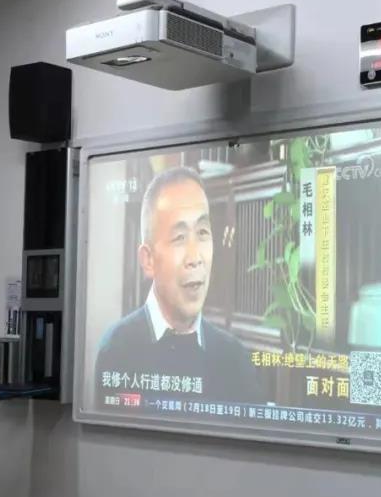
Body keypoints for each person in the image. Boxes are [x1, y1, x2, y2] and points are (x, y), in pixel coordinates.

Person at [95, 166, 264, 406]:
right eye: (179, 238)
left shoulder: (236, 359)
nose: (195, 258)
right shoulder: (117, 349)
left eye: (203, 232)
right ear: (148, 260)